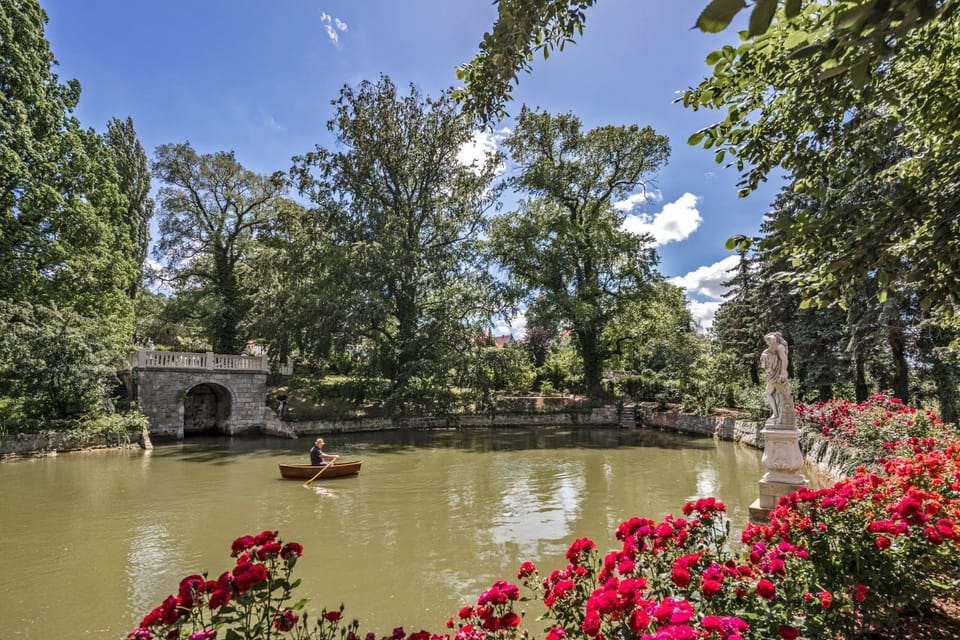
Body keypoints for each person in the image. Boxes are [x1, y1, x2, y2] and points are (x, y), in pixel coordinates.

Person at [760, 331, 794, 425]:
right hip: (773, 375)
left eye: (769, 342)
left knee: (783, 395)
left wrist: (783, 372)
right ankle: (776, 414)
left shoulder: (780, 347)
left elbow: (784, 360)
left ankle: (780, 416)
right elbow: (767, 353)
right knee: (769, 393)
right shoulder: (774, 348)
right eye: (768, 342)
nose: (768, 344)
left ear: (774, 341)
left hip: (778, 375)